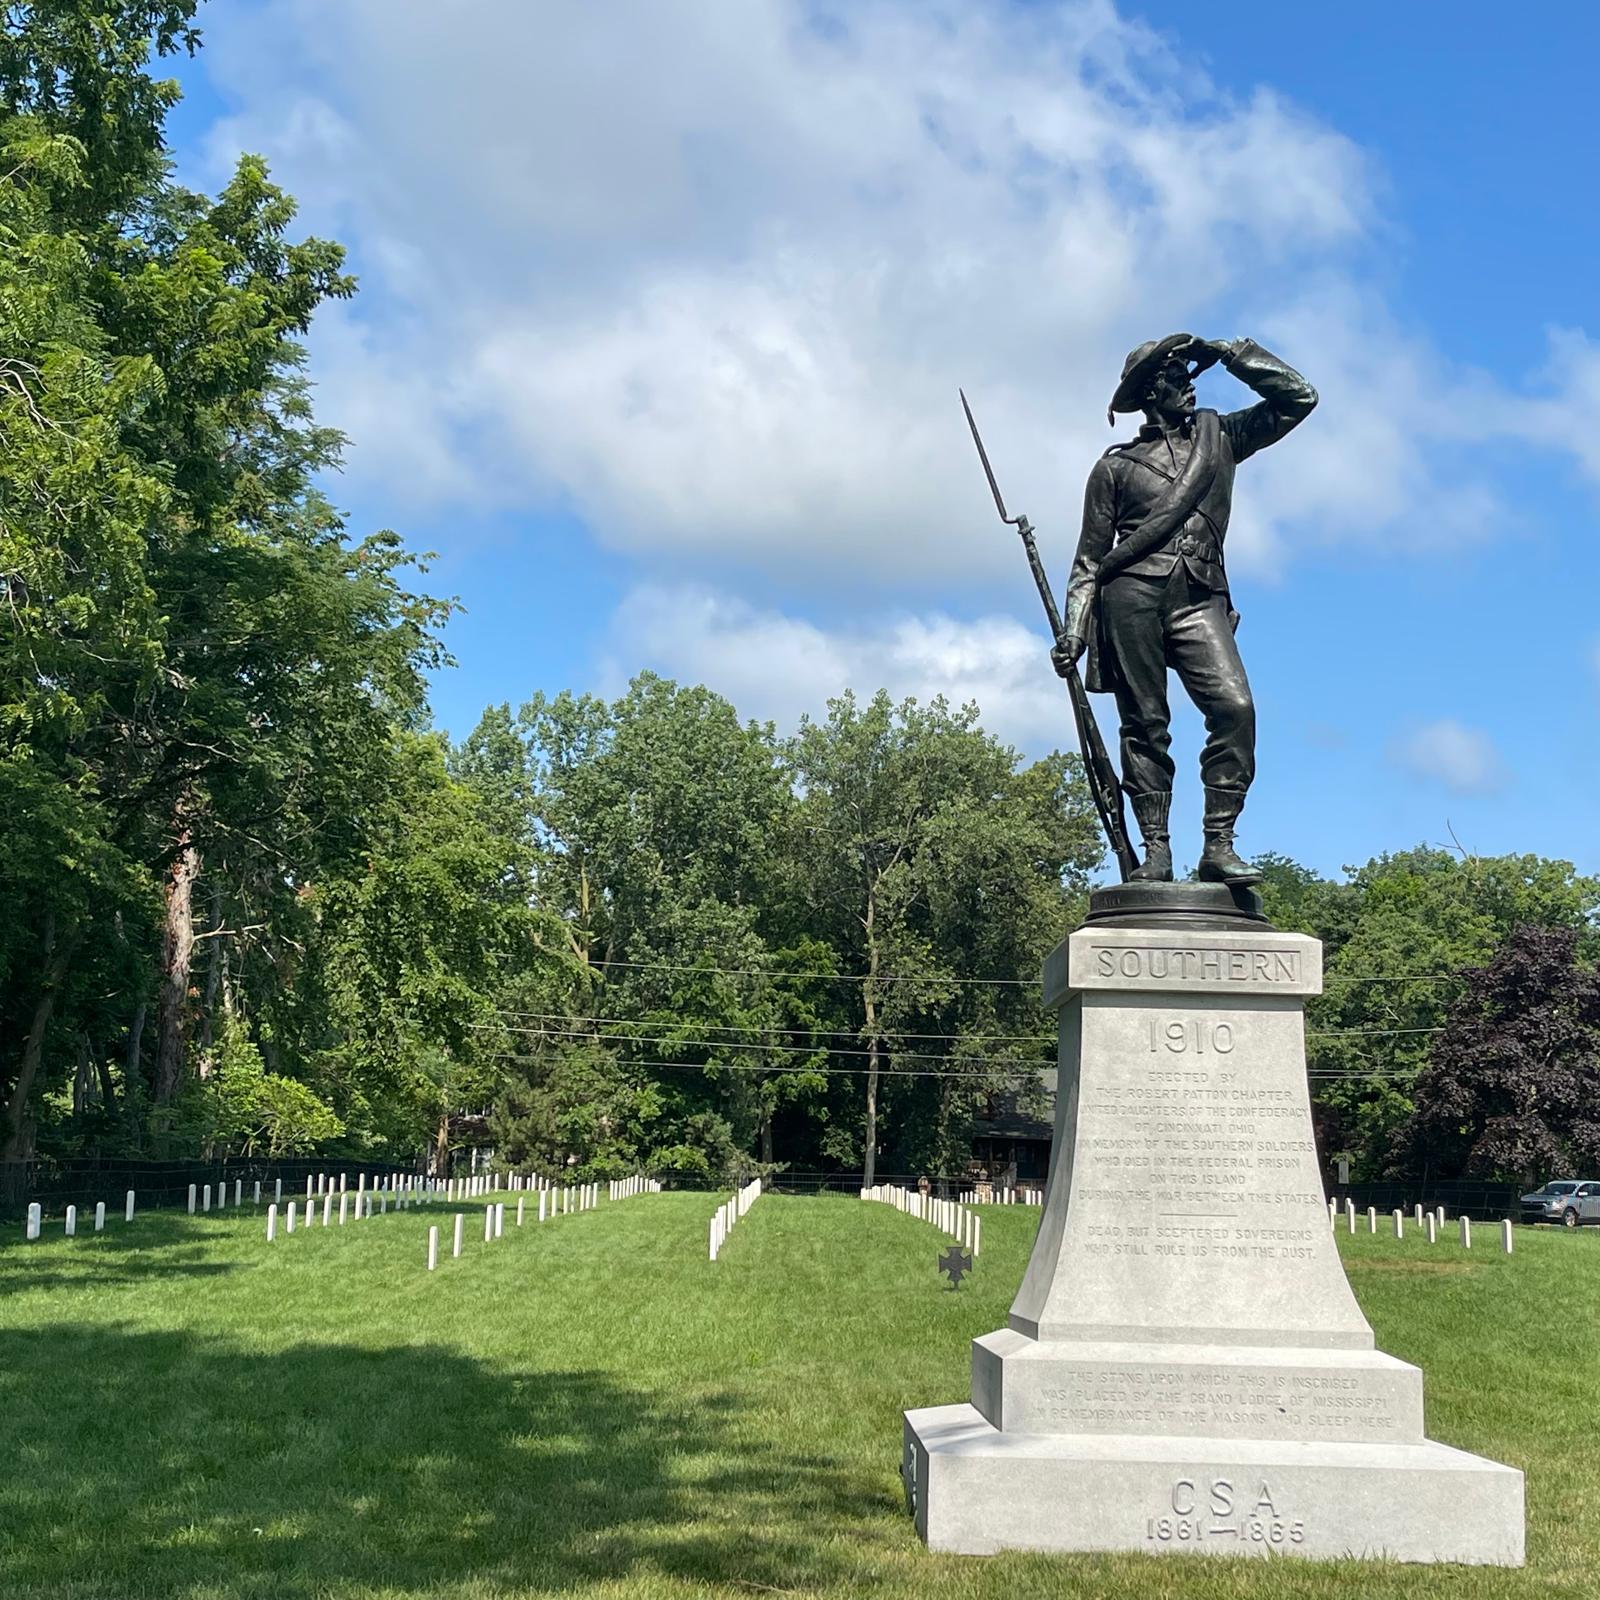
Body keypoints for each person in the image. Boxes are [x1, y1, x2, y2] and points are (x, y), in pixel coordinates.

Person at [1051, 334, 1316, 885]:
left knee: (1235, 709)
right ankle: (1157, 851)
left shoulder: (1221, 438)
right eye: (1176, 377)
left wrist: (1235, 353)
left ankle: (1219, 844)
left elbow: (1299, 398)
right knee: (1145, 725)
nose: (1190, 385)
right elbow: (1088, 558)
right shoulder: (1115, 469)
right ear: (1152, 391)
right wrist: (1074, 631)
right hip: (1131, 596)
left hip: (1200, 594)